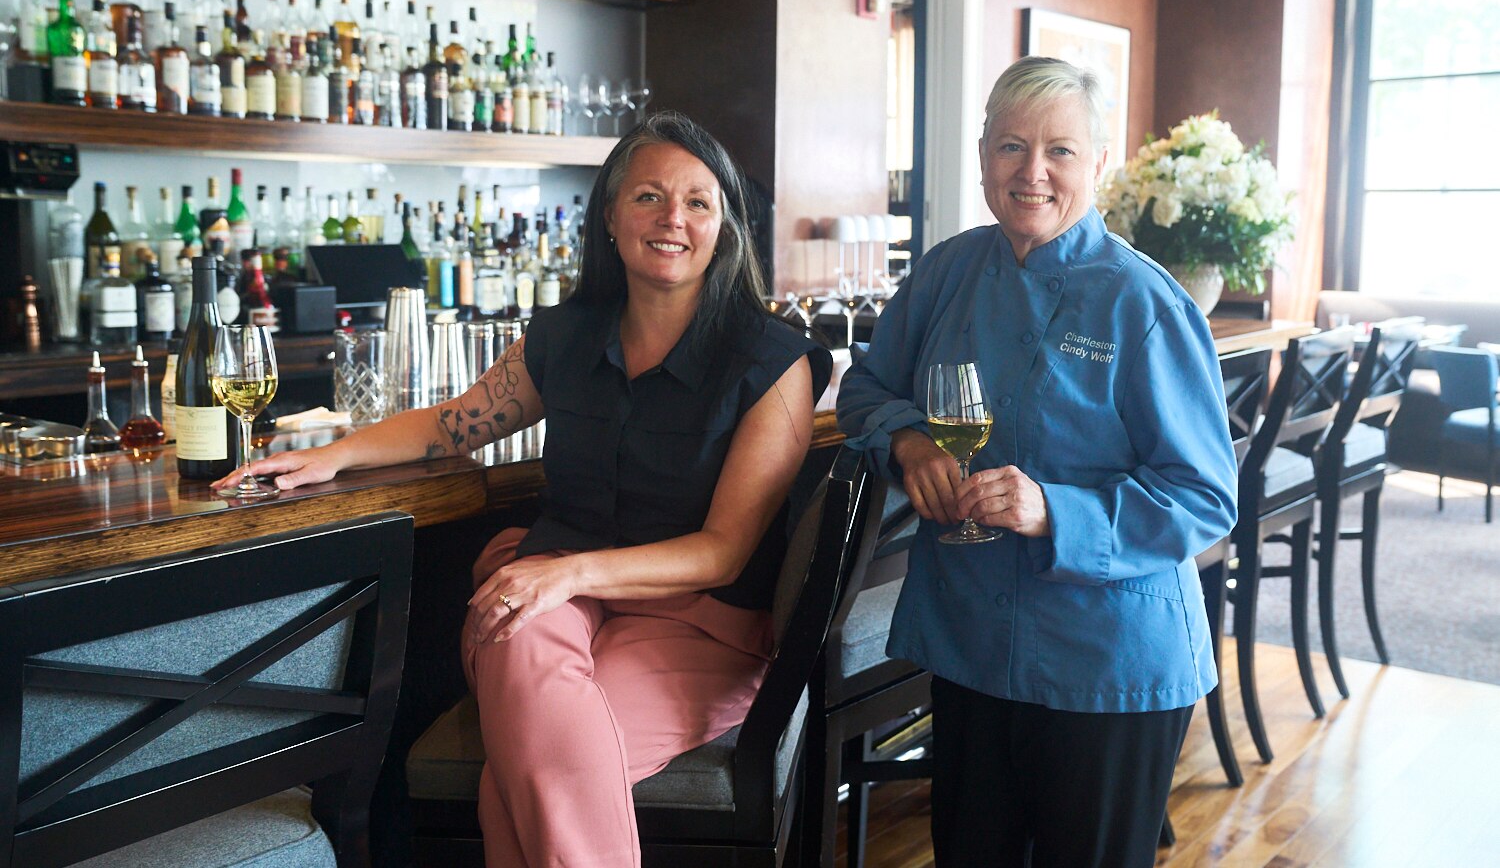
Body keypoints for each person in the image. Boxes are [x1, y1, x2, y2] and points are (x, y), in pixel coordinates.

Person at [222, 112, 832, 867]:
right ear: (609, 215)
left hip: (696, 624)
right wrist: (334, 457)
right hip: (549, 594)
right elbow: (454, 423)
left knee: (517, 780)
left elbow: (722, 553)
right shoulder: (565, 334)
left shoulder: (773, 364)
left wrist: (569, 572)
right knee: (517, 628)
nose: (673, 218)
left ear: (726, 226)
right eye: (649, 196)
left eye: (699, 201)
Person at [837, 57, 1238, 867]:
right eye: (1012, 147)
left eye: (1060, 150)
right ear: (983, 156)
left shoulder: (1144, 303)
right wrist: (908, 439)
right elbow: (867, 388)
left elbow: (1204, 497)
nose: (1033, 172)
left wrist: (1056, 511)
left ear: (1098, 163)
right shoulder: (947, 272)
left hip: (1107, 659)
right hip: (972, 644)